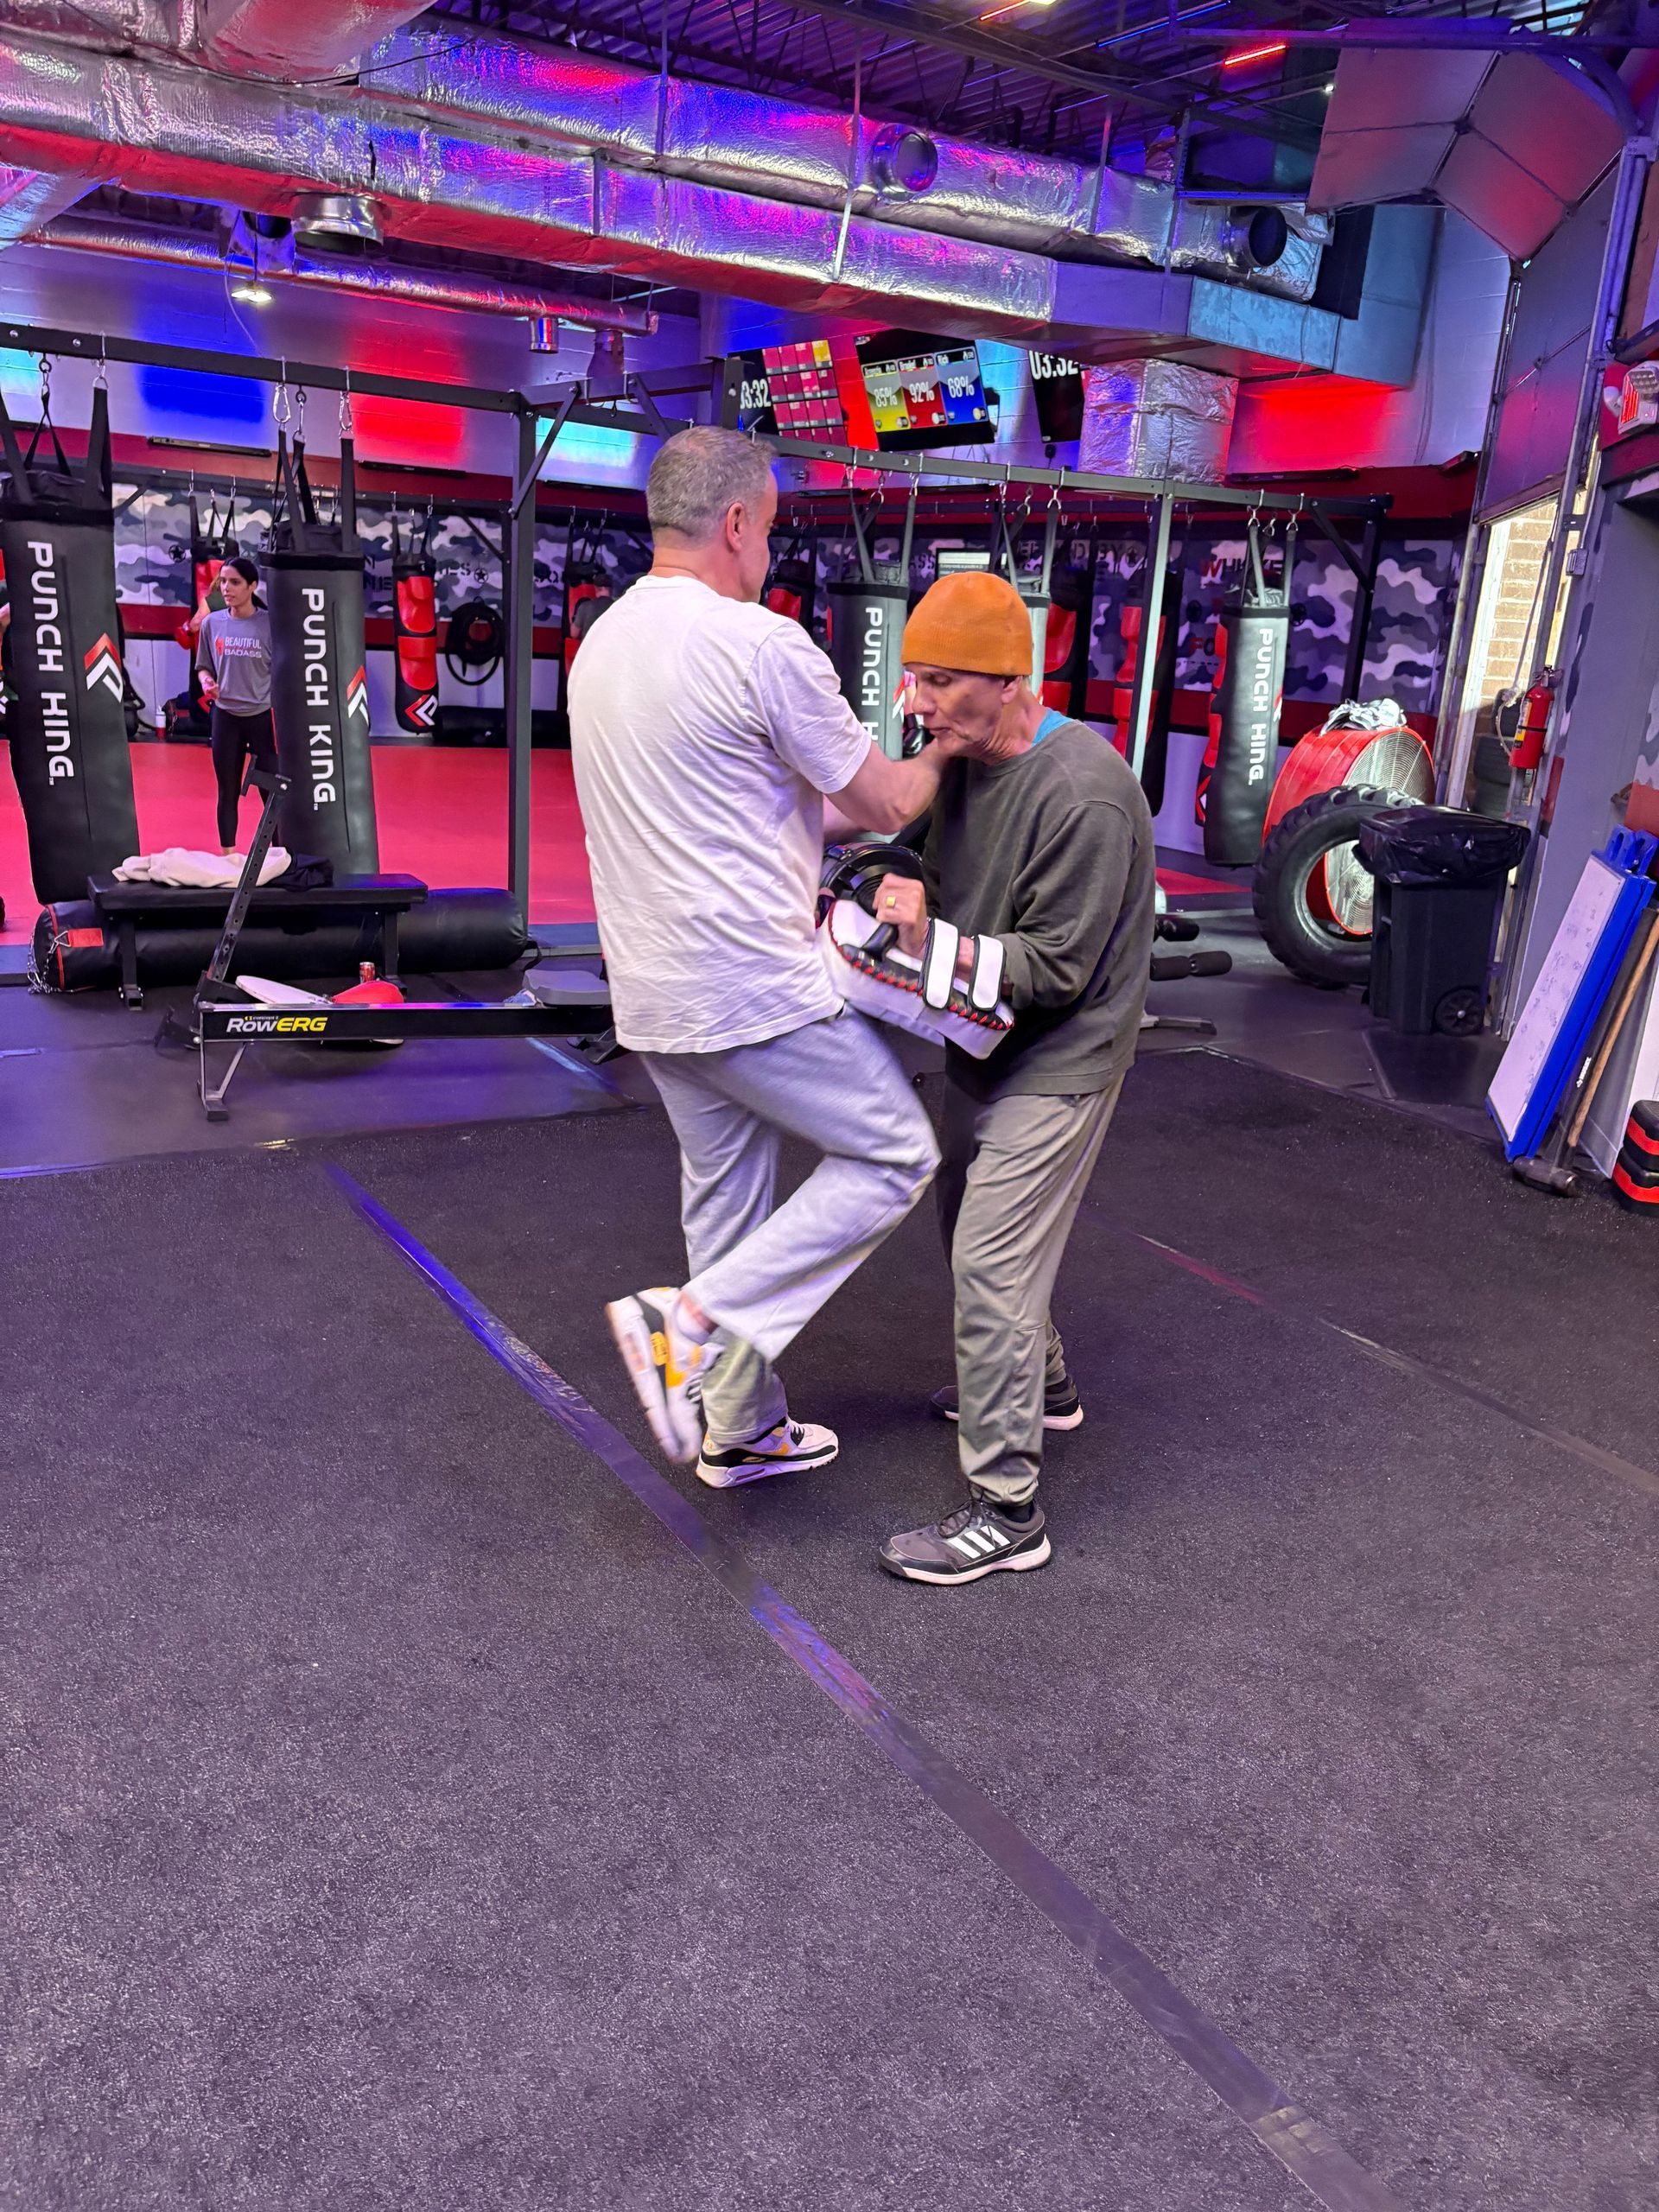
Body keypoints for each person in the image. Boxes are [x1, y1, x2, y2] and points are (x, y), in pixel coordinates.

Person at [569, 426, 968, 1491]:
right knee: (896, 1154)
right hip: (751, 989)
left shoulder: (602, 644)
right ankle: (691, 1322)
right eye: (774, 528)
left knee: (729, 1203)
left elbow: (744, 809)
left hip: (650, 994)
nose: (773, 551)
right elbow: (885, 800)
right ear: (738, 523)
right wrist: (947, 741)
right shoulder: (758, 644)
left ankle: (742, 1427)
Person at [869, 569, 1157, 1587]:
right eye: (915, 679)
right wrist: (881, 884)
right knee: (968, 1230)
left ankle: (1007, 1510)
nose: (919, 703)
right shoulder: (957, 754)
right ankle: (1049, 1385)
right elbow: (904, 851)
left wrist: (927, 941)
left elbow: (1056, 969)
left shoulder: (1085, 795)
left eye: (941, 682)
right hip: (979, 1036)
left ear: (1010, 681)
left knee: (992, 1261)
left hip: (1062, 1052)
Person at [194, 555, 276, 855]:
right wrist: (206, 682)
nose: (226, 588)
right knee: (227, 790)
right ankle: (228, 856)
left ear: (252, 586)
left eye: (235, 582)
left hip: (262, 718)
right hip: (226, 717)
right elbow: (204, 666)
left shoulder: (269, 625)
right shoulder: (212, 623)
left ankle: (278, 856)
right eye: (223, 582)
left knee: (271, 792)